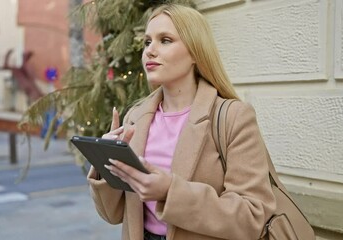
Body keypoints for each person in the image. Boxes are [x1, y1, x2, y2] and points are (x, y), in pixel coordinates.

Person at [87, 3, 276, 240]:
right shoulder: (135, 117)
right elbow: (113, 215)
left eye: (165, 40)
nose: (150, 51)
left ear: (196, 52)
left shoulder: (233, 117)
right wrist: (105, 162)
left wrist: (170, 191)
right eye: (147, 42)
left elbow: (253, 217)